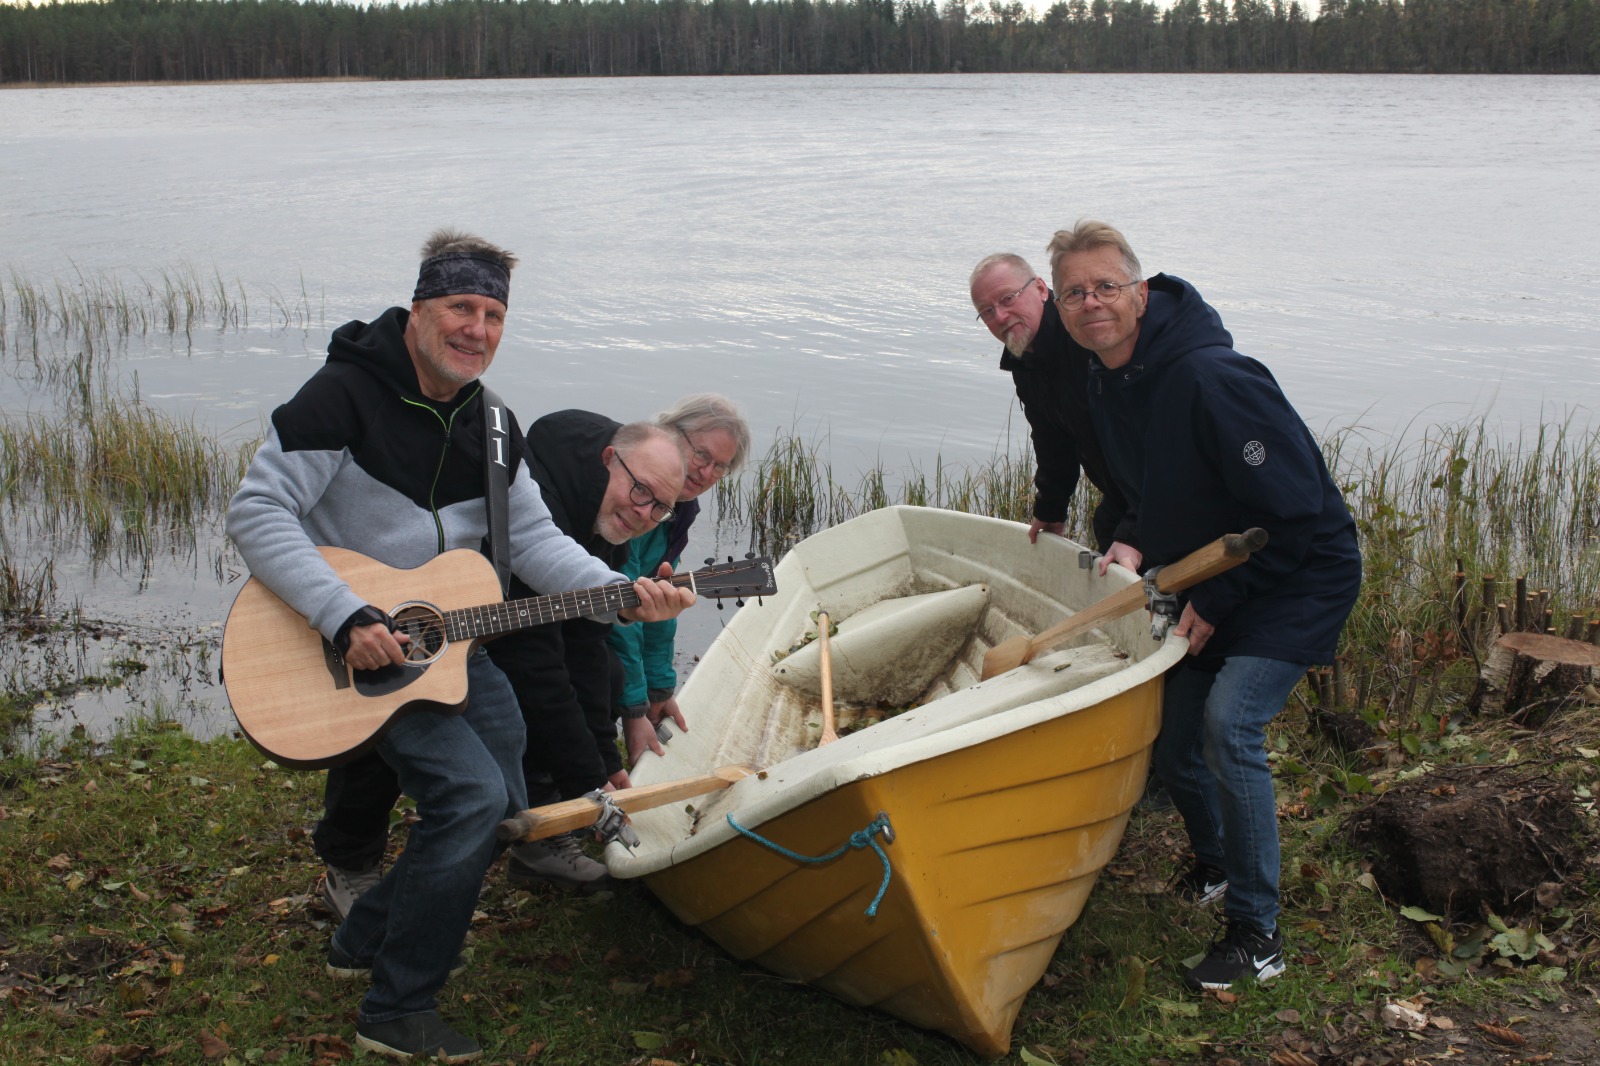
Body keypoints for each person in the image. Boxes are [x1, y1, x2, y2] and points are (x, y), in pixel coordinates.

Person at [226, 230, 693, 1063]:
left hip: (448, 648)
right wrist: (343, 615)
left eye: (492, 314)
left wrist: (623, 594)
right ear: (419, 309)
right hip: (348, 651)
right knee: (470, 801)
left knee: (504, 801)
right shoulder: (341, 396)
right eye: (459, 308)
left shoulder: (495, 424)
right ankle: (396, 1009)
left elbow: (537, 542)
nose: (476, 329)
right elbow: (258, 513)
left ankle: (363, 933)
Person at [1045, 220, 1361, 992]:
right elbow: (1153, 488)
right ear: (1058, 307)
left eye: (1107, 287)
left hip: (1297, 573)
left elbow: (1288, 513)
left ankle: (1257, 935)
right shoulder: (1110, 377)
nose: (1092, 303)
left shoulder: (1212, 377)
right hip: (1214, 573)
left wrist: (1217, 597)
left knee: (1229, 726)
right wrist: (1127, 538)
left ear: (1141, 293)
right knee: (1170, 734)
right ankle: (1217, 864)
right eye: (1074, 292)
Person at [489, 411, 686, 893]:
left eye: (660, 507)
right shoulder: (541, 510)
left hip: (509, 639)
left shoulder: (604, 528)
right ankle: (353, 863)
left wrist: (603, 758)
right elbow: (537, 662)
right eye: (640, 491)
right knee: (532, 690)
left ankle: (549, 826)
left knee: (608, 672)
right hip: (442, 632)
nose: (644, 513)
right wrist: (588, 777)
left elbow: (585, 648)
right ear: (608, 461)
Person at [609, 394, 751, 768]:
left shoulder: (681, 509)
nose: (705, 474)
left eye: (720, 467)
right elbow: (622, 605)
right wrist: (635, 710)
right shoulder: (642, 496)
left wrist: (659, 687)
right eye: (701, 455)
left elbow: (659, 603)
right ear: (670, 432)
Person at [969, 253, 1133, 553]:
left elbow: (1150, 444)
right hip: (1126, 500)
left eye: (1008, 299)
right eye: (987, 311)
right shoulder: (1026, 362)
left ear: (1042, 289)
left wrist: (1135, 530)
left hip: (1168, 497)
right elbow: (1053, 440)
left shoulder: (1089, 339)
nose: (1000, 317)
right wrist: (1051, 510)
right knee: (1107, 526)